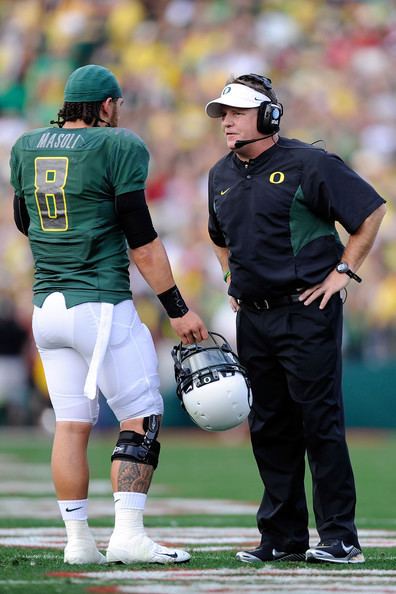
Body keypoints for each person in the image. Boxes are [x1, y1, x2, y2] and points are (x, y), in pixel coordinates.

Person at [10, 64, 208, 565]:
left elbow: (22, 219)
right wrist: (178, 310)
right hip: (98, 303)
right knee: (141, 415)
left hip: (47, 306)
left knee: (71, 424)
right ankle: (128, 534)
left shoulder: (27, 145)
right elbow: (141, 240)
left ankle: (78, 544)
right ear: (106, 106)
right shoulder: (118, 144)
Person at [205, 73, 386, 564]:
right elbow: (218, 237)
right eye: (223, 114)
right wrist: (231, 279)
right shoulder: (219, 174)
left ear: (269, 116)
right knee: (269, 426)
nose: (227, 123)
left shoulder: (312, 163)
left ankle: (340, 538)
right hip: (255, 319)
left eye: (237, 113)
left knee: (319, 423)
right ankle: (282, 537)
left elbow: (370, 211)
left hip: (307, 310)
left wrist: (343, 272)